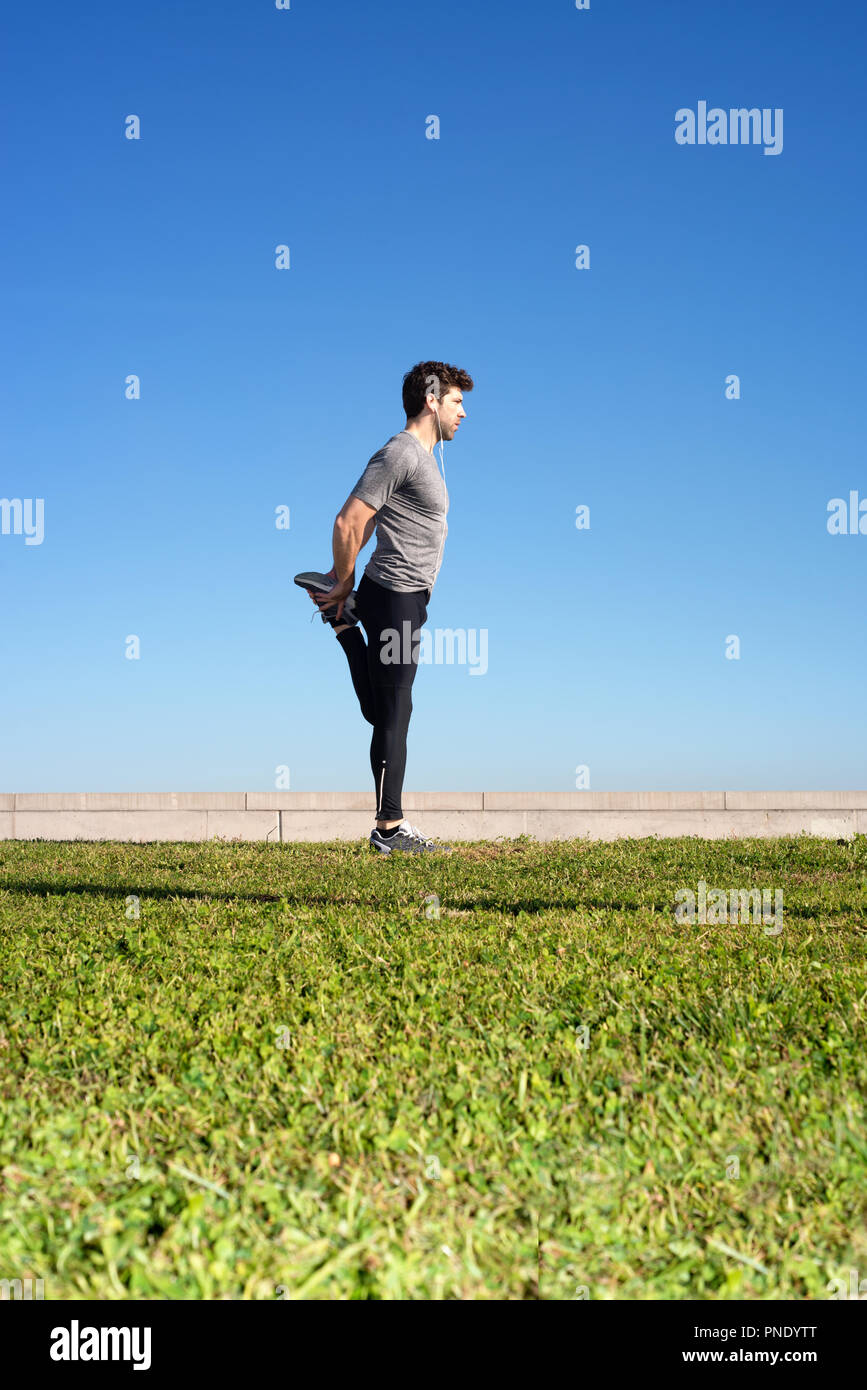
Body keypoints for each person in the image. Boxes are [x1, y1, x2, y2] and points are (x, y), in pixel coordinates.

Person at [295, 361, 473, 854]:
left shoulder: (424, 460)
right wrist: (342, 579)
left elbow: (371, 521)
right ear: (432, 400)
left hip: (398, 597)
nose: (464, 413)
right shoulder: (402, 452)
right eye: (457, 401)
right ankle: (389, 827)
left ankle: (343, 625)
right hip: (394, 597)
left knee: (383, 709)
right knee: (395, 710)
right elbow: (349, 519)